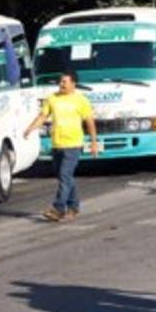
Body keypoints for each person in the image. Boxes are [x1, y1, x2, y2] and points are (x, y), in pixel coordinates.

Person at [24, 71, 99, 222]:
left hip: (73, 144)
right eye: (60, 81)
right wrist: (30, 129)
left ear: (73, 84)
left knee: (65, 176)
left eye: (65, 82)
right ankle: (73, 206)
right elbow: (42, 116)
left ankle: (58, 209)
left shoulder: (81, 100)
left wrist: (93, 142)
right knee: (65, 177)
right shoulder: (52, 99)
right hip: (57, 143)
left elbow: (89, 121)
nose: (62, 84)